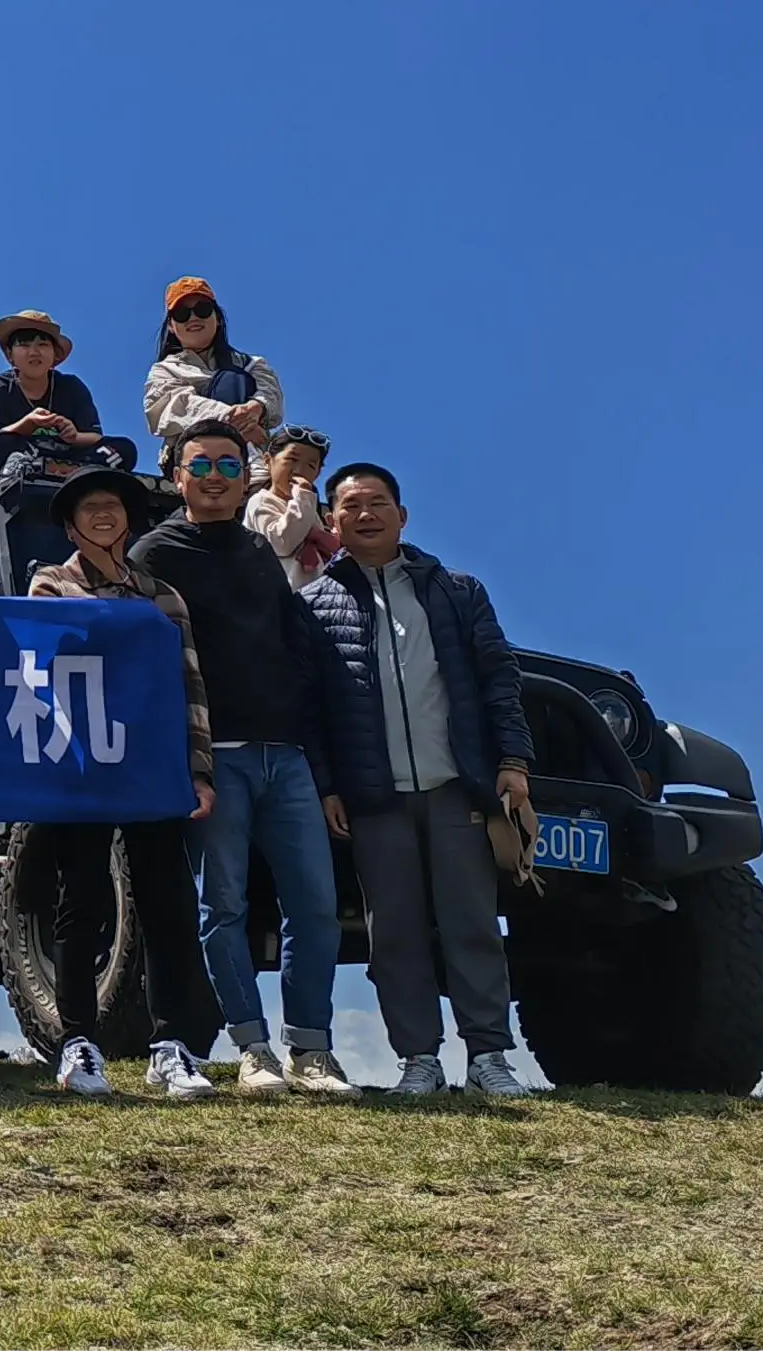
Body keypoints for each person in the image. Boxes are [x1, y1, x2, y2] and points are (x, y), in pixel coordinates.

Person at [129, 424, 359, 1097]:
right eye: (200, 464)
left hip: (286, 753)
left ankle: (311, 1050)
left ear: (246, 477)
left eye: (230, 465)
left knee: (315, 905)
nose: (215, 476)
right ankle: (253, 1048)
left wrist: (319, 761)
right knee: (222, 904)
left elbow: (293, 649)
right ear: (177, 476)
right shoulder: (153, 552)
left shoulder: (260, 548)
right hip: (213, 756)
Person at [301, 462, 539, 1098]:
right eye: (351, 505)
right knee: (393, 933)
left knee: (472, 924)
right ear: (331, 521)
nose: (365, 515)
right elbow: (311, 709)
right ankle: (419, 1060)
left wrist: (513, 762)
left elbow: (498, 679)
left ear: (402, 516)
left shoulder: (456, 590)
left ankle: (489, 1057)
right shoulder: (313, 604)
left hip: (456, 786)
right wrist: (327, 786)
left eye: (378, 503)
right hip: (374, 797)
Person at [26, 467, 220, 1100]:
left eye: (113, 505)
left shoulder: (163, 596)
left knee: (168, 904)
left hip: (152, 766)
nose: (104, 515)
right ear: (70, 526)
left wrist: (199, 769)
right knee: (81, 901)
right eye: (89, 508)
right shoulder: (51, 584)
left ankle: (172, 1046)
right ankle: (78, 1042)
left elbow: (191, 686)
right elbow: (46, 654)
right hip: (80, 768)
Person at [0, 311, 135, 480]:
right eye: (24, 345)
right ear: (10, 355)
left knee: (125, 448)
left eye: (43, 345)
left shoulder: (71, 386)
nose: (34, 352)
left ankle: (87, 472)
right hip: (24, 453)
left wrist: (74, 436)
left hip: (69, 456)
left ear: (54, 354)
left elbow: (95, 436)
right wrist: (26, 424)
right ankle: (23, 467)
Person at [141, 277, 283, 458]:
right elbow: (174, 407)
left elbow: (271, 395)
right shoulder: (164, 371)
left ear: (218, 318)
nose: (193, 318)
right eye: (182, 314)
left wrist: (257, 406)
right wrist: (234, 420)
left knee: (234, 380)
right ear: (171, 326)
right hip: (194, 459)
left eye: (203, 310)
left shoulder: (251, 364)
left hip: (252, 460)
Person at [244, 426, 340, 590]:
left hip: (314, 594)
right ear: (268, 460)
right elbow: (282, 543)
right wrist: (303, 496)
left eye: (311, 466)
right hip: (277, 594)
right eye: (292, 459)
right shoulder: (261, 501)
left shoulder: (308, 505)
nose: (300, 471)